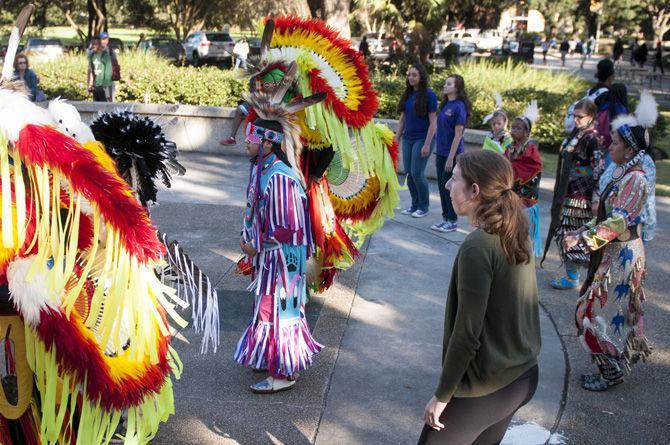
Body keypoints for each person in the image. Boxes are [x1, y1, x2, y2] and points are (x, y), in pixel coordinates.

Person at [419, 150, 540, 444]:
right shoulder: (515, 228)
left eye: (455, 178)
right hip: (521, 377)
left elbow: (466, 333)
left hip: (487, 386)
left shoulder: (479, 247)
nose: (447, 185)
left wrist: (443, 394)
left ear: (474, 190)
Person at [234, 90, 326, 393]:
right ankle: (274, 358)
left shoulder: (279, 177)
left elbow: (287, 226)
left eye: (251, 138)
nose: (246, 142)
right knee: (270, 308)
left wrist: (255, 245)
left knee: (277, 309)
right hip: (272, 257)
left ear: (268, 142)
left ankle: (282, 374)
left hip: (282, 258)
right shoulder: (265, 171)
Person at [569, 91, 657, 391]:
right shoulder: (626, 173)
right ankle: (611, 364)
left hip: (622, 254)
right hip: (615, 251)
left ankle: (612, 370)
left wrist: (583, 242)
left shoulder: (635, 178)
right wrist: (580, 233)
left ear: (630, 149)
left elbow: (619, 222)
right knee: (592, 312)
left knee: (589, 313)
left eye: (617, 143)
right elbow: (610, 214)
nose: (611, 145)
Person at [543, 99, 604, 289]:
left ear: (591, 117)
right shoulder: (577, 134)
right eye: (574, 116)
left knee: (573, 234)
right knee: (564, 231)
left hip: (582, 197)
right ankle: (574, 275)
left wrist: (596, 199)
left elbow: (599, 170)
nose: (575, 119)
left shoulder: (592, 138)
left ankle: (574, 277)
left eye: (580, 116)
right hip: (568, 192)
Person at [395, 63, 438, 218]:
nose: (411, 77)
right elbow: (402, 120)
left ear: (421, 77)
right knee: (408, 173)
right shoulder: (408, 94)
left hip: (422, 138)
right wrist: (397, 138)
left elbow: (433, 122)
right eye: (409, 75)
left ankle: (423, 206)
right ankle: (414, 205)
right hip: (408, 138)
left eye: (414, 75)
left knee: (417, 172)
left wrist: (427, 144)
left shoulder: (429, 95)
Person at [431, 75, 469, 233]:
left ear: (457, 87)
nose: (445, 86)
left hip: (451, 154)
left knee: (450, 188)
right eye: (445, 83)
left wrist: (451, 158)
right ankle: (445, 218)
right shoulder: (446, 105)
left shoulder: (459, 106)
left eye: (449, 84)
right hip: (441, 152)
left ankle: (452, 220)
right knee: (441, 186)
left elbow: (458, 134)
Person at [505, 103, 543, 258]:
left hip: (525, 196)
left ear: (527, 132)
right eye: (513, 127)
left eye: (518, 128)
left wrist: (513, 170)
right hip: (511, 191)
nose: (514, 130)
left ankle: (523, 251)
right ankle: (510, 248)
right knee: (509, 222)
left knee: (523, 225)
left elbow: (534, 166)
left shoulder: (530, 149)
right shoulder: (510, 147)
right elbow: (504, 161)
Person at [87, 36, 114, 102]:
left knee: (105, 105)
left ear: (99, 45)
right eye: (92, 44)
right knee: (96, 105)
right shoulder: (92, 55)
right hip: (95, 85)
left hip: (104, 86)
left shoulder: (105, 55)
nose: (93, 46)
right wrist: (90, 84)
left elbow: (108, 72)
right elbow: (91, 70)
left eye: (95, 44)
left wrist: (106, 87)